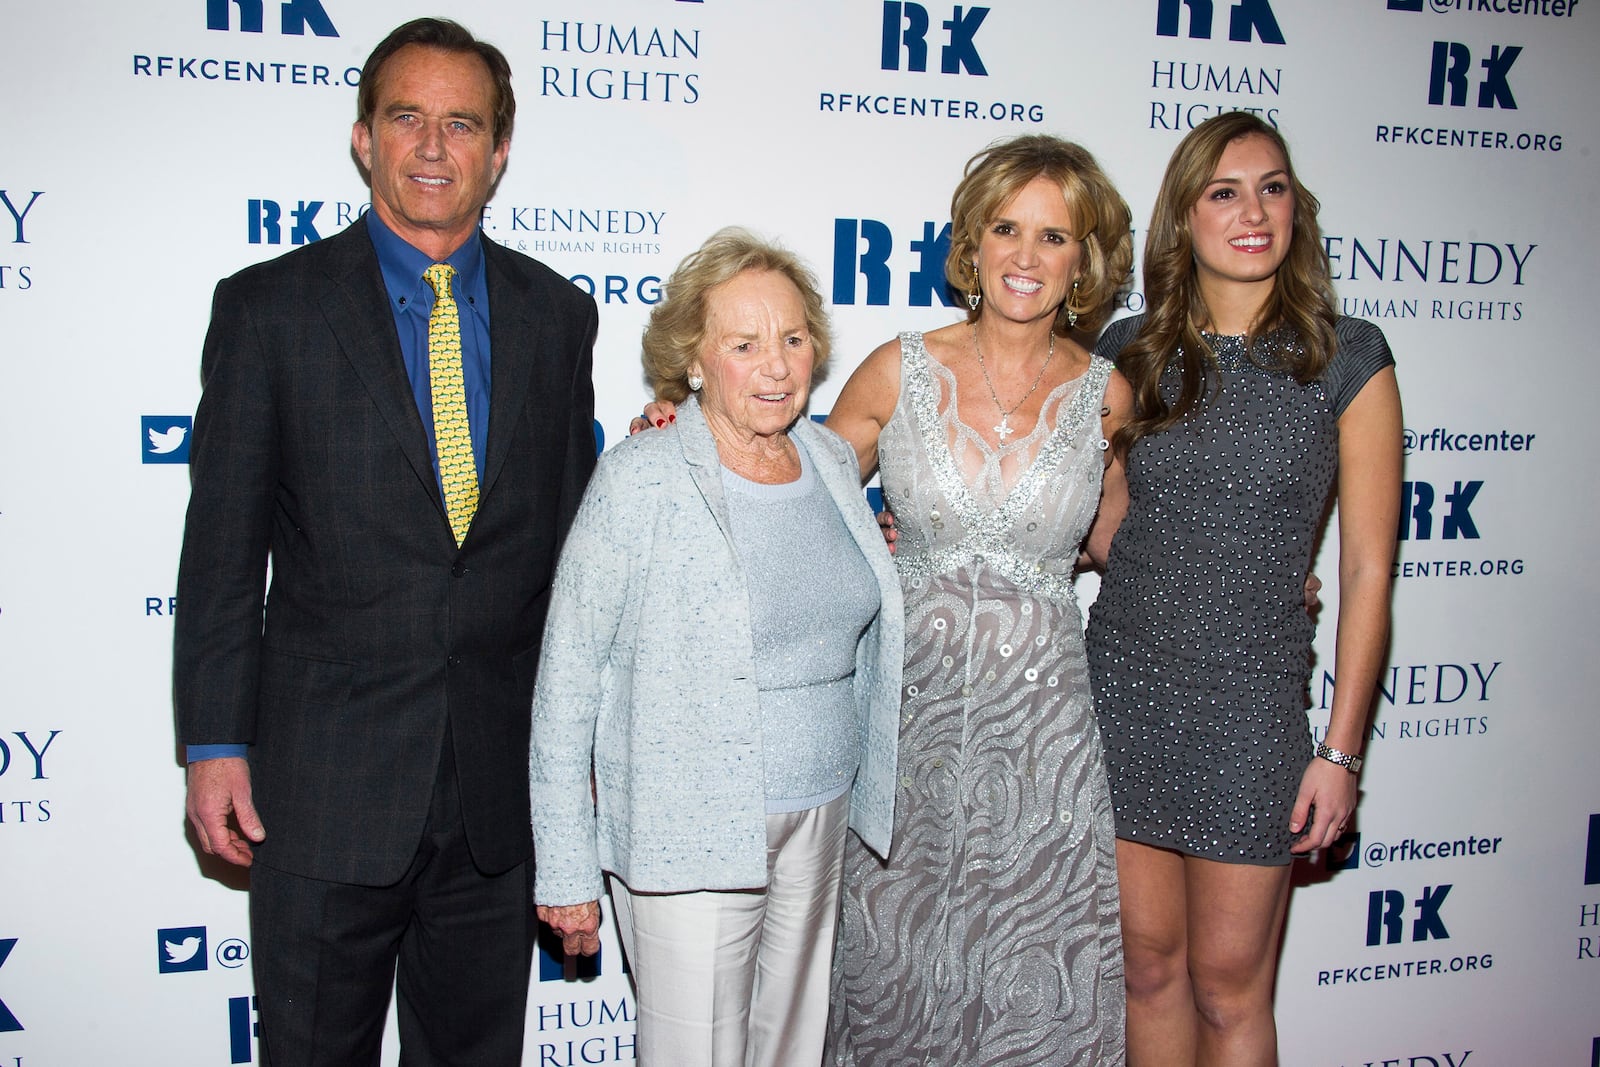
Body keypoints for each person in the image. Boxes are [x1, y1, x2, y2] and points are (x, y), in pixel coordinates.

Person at [637, 135, 1135, 1065]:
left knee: (1029, 961)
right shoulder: (899, 369)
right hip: (908, 718)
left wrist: (1238, 571)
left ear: (1083, 260)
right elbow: (786, 480)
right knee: (893, 962)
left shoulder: (1108, 394)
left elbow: (1123, 543)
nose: (1026, 256)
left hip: (1048, 732)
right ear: (972, 244)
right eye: (1005, 228)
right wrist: (684, 430)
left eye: (1054, 237)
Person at [173, 18, 598, 1064]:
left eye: (463, 123)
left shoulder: (558, 316)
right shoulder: (269, 309)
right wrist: (215, 743)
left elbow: (575, 563)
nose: (434, 146)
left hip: (498, 797)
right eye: (407, 117)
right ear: (363, 137)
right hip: (322, 789)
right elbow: (222, 552)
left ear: (499, 153)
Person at [530, 228, 904, 1067]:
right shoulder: (642, 474)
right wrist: (565, 866)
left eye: (794, 338)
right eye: (744, 344)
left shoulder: (832, 460)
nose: (776, 365)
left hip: (822, 811)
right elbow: (566, 682)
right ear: (694, 361)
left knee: (791, 1050)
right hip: (685, 826)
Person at [1083, 112, 1403, 1067]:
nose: (1253, 211)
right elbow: (1095, 523)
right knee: (1145, 971)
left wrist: (1340, 752)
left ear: (1296, 211)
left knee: (1230, 986)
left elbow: (1366, 569)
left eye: (1272, 188)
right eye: (1224, 192)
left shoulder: (1349, 356)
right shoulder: (1128, 350)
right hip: (1123, 694)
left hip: (1250, 711)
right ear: (1185, 217)